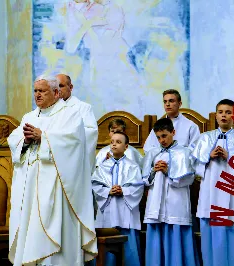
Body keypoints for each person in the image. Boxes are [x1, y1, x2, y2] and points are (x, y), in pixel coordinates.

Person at [8, 75, 97, 266]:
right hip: (31, 183)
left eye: (42, 91)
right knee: (30, 228)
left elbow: (74, 142)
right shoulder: (29, 116)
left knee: (56, 231)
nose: (37, 95)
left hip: (57, 185)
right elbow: (13, 140)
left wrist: (44, 138)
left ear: (56, 93)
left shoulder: (70, 114)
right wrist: (25, 141)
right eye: (35, 91)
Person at [190, 99, 234, 266]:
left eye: (228, 112)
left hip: (232, 192)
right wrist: (209, 156)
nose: (224, 115)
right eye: (221, 112)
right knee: (210, 233)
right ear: (216, 116)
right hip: (210, 192)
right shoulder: (204, 138)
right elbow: (195, 167)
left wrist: (229, 156)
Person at [142, 118, 199, 266]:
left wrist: (168, 171)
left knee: (176, 237)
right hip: (156, 205)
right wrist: (154, 170)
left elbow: (189, 179)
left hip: (176, 203)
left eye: (165, 136)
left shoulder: (185, 152)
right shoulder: (152, 154)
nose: (162, 140)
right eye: (159, 137)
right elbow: (144, 180)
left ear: (173, 132)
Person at [92, 131, 144, 266]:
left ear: (126, 146)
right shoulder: (102, 167)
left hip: (125, 213)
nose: (114, 144)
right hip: (108, 210)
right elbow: (95, 185)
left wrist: (124, 190)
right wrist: (108, 191)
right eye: (112, 142)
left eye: (118, 142)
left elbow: (138, 187)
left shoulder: (133, 167)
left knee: (128, 246)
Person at [57, 73, 98, 173]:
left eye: (61, 86)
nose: (58, 90)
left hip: (75, 161)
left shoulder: (83, 108)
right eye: (55, 87)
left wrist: (64, 137)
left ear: (70, 87)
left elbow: (91, 133)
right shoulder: (50, 109)